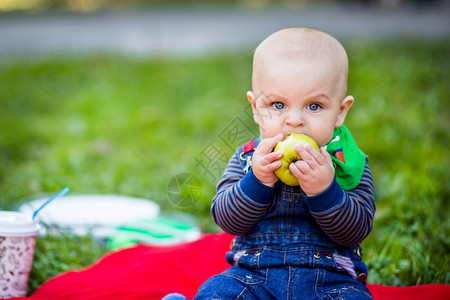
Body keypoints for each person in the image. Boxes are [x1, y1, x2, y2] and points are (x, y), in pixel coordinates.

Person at [194, 27, 376, 299]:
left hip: (330, 281)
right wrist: (256, 181)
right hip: (253, 277)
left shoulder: (347, 163)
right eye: (278, 105)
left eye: (314, 106)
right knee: (218, 291)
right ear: (256, 109)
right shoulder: (248, 158)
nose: (294, 120)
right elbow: (226, 219)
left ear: (340, 111)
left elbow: (356, 230)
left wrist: (325, 190)